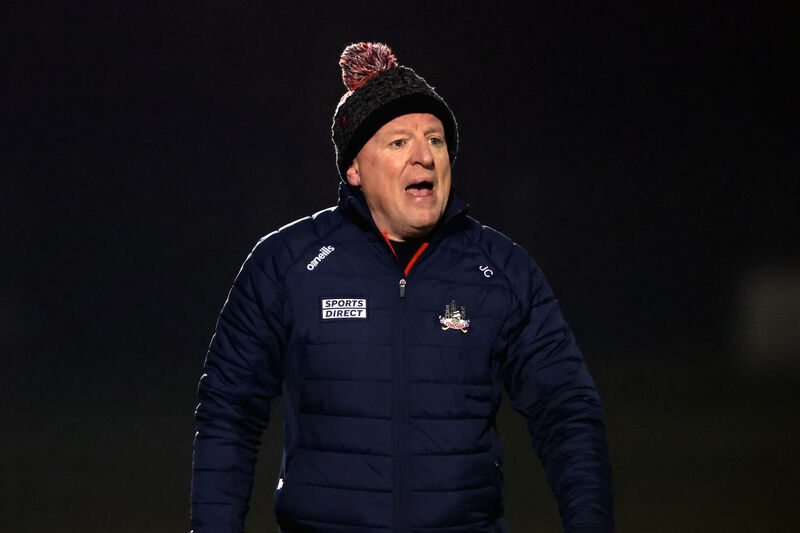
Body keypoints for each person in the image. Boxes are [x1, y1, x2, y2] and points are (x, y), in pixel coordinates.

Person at [191, 42, 614, 533]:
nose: (425, 157)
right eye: (398, 142)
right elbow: (227, 412)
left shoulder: (502, 271)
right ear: (353, 168)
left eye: (435, 140)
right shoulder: (286, 264)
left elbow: (567, 412)